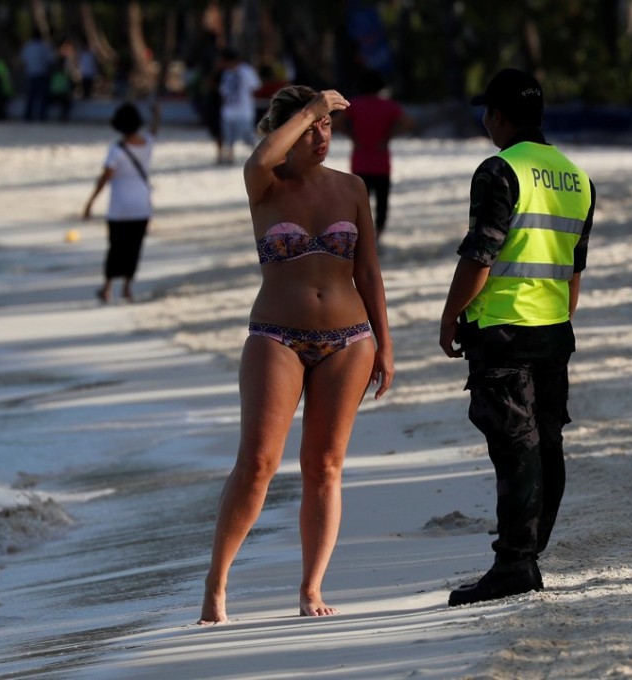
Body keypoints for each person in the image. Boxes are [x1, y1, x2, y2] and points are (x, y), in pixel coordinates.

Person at [198, 85, 394, 623]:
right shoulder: (265, 184)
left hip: (349, 341)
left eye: (327, 127)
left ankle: (311, 589)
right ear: (286, 131)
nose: (321, 136)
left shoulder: (352, 187)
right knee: (257, 464)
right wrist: (311, 107)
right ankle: (216, 583)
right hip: (275, 337)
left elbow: (369, 270)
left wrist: (385, 343)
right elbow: (260, 156)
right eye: (310, 127)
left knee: (325, 467)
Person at [439, 68, 595, 606]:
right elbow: (574, 271)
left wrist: (449, 314)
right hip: (553, 330)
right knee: (545, 444)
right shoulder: (577, 179)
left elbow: (480, 254)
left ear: (499, 117)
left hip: (502, 331)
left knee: (515, 447)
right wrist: (557, 315)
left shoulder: (500, 171)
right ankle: (527, 553)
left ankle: (515, 564)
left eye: (488, 113)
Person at [82, 101, 161, 303]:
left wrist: (90, 203)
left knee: (115, 247)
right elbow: (154, 130)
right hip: (142, 206)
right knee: (134, 248)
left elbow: (104, 178)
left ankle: (107, 288)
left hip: (119, 207)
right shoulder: (147, 145)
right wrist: (156, 113)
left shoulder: (116, 150)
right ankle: (127, 288)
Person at [334, 69, 414, 242]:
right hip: (381, 162)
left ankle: (362, 234)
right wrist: (388, 136)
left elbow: (336, 122)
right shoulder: (388, 105)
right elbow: (408, 122)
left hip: (360, 161)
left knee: (360, 202)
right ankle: (378, 234)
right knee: (382, 201)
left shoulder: (354, 104)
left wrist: (352, 136)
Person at [217, 48, 262, 164]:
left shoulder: (246, 71)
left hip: (244, 111)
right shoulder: (226, 73)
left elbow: (256, 87)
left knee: (247, 135)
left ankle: (258, 154)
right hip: (228, 111)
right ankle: (230, 156)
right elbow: (223, 91)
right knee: (229, 137)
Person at [20, 30, 54, 121]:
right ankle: (41, 116)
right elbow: (50, 60)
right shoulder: (44, 46)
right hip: (41, 74)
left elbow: (24, 61)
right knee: (42, 97)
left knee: (30, 97)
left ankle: (28, 116)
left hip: (30, 74)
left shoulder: (28, 46)